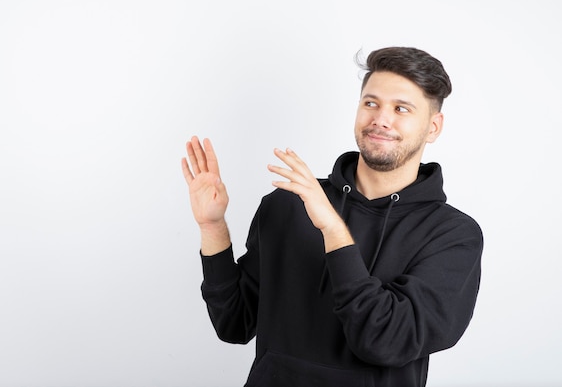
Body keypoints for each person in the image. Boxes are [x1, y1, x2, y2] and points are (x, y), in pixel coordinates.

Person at [181, 46, 483, 387]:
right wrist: (213, 227)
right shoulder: (289, 204)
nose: (381, 119)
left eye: (401, 109)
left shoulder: (452, 235)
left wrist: (333, 231)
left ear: (433, 127)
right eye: (371, 103)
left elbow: (385, 341)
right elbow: (234, 323)